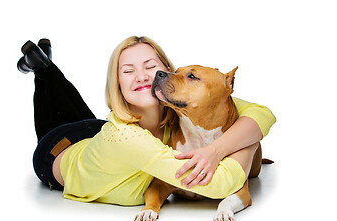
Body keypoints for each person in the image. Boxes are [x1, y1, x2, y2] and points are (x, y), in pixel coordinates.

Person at [17, 36, 276, 205]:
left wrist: (217, 148)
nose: (142, 76)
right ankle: (43, 70)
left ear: (166, 71)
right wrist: (249, 143)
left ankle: (45, 64)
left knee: (81, 115)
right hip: (57, 155)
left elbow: (261, 113)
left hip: (98, 131)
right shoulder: (128, 139)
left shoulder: (180, 106)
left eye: (150, 67)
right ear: (117, 83)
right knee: (52, 125)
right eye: (128, 71)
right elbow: (222, 184)